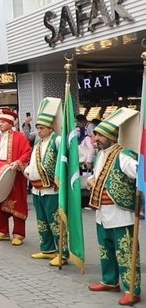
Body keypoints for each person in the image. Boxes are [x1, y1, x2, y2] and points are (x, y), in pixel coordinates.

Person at [86, 108, 140, 305]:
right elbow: (93, 177)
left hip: (120, 213)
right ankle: (109, 281)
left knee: (126, 252)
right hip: (102, 211)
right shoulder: (100, 156)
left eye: (99, 135)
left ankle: (132, 289)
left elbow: (139, 174)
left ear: (110, 136)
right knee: (105, 249)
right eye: (96, 135)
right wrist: (93, 183)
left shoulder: (123, 155)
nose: (95, 138)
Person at [23, 97, 68, 266]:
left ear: (50, 128)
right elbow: (33, 164)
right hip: (37, 189)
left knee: (56, 222)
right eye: (38, 128)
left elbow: (64, 159)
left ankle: (62, 253)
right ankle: (47, 249)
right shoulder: (38, 144)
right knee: (42, 221)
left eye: (42, 128)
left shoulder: (56, 140)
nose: (39, 131)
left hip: (51, 190)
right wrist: (27, 171)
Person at [0, 109, 32, 246]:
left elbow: (27, 152)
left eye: (2, 122)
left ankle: (19, 234)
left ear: (10, 123)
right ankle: (2, 231)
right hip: (0, 175)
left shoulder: (20, 137)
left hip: (15, 176)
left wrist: (18, 162)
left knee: (16, 203)